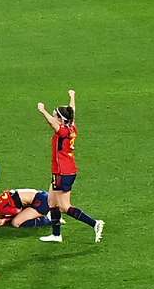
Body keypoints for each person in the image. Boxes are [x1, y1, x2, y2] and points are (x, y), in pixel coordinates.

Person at [36, 89, 104, 243]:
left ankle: (94, 223)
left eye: (55, 115)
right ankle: (56, 235)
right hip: (65, 170)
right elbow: (72, 111)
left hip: (63, 172)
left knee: (64, 206)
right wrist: (72, 96)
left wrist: (42, 110)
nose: (53, 116)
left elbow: (52, 123)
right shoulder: (72, 127)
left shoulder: (63, 132)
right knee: (51, 202)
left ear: (60, 119)